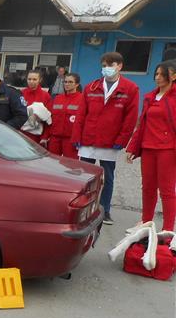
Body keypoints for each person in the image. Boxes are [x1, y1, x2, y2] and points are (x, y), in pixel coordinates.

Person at [72, 51, 139, 225]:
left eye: (110, 65)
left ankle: (105, 210)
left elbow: (130, 119)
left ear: (119, 66)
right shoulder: (91, 87)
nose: (106, 69)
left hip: (110, 143)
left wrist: (122, 140)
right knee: (84, 177)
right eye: (104, 66)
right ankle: (82, 208)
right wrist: (76, 136)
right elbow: (81, 114)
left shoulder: (130, 89)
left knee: (107, 178)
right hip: (88, 140)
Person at [125, 63, 175, 232]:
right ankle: (146, 222)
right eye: (156, 74)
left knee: (167, 190)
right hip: (148, 148)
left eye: (162, 74)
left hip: (168, 149)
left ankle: (167, 228)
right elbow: (141, 124)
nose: (157, 77)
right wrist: (132, 147)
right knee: (148, 187)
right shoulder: (150, 97)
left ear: (173, 76)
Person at [43, 72, 83, 158]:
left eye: (70, 82)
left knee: (71, 166)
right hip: (55, 138)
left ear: (77, 84)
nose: (67, 84)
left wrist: (79, 139)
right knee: (52, 164)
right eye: (65, 82)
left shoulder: (82, 99)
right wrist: (45, 136)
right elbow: (49, 119)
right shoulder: (57, 98)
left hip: (71, 140)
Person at [20, 69, 53, 143]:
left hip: (36, 136)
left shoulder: (45, 96)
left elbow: (49, 119)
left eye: (34, 79)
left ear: (40, 80)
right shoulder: (21, 93)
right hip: (20, 133)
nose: (31, 81)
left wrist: (45, 137)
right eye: (29, 79)